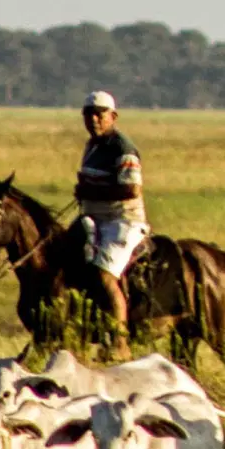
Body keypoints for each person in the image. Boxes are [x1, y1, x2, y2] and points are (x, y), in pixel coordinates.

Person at [72, 91, 147, 316]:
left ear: (113, 116)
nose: (93, 120)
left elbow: (132, 189)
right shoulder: (91, 146)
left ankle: (120, 339)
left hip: (122, 221)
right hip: (94, 219)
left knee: (104, 276)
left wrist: (91, 192)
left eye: (99, 114)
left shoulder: (122, 148)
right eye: (88, 115)